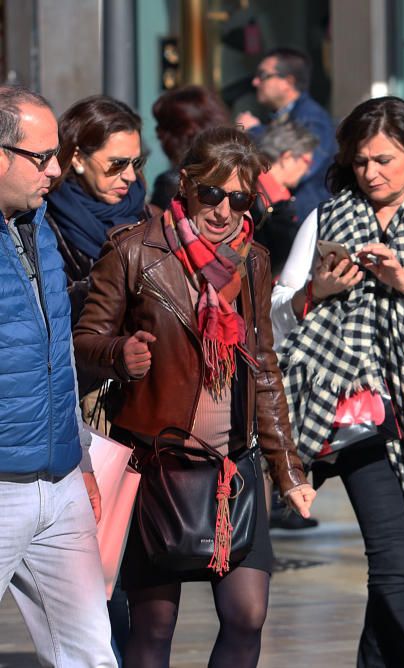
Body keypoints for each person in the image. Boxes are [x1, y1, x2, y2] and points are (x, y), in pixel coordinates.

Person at [73, 126, 316, 666]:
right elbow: (83, 343)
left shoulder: (252, 260)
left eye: (239, 198)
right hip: (157, 465)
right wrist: (119, 353)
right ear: (186, 184)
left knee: (248, 615)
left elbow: (266, 370)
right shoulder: (135, 251)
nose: (223, 210)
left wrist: (289, 471)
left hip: (235, 465)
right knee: (155, 628)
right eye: (211, 192)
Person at [271, 96, 404, 667]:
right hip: (341, 403)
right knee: (393, 557)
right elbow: (277, 311)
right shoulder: (326, 217)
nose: (371, 173)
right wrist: (317, 292)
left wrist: (403, 281)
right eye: (361, 161)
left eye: (385, 160)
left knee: (399, 561)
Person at [0, 85, 116, 667]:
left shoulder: (38, 223)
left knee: (92, 654)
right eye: (40, 157)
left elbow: (57, 353)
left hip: (59, 477)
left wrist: (80, 457)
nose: (54, 171)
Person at [45, 95, 147, 321]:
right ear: (79, 158)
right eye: (117, 164)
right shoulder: (42, 222)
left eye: (136, 163)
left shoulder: (146, 214)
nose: (130, 176)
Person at [236, 47, 335, 221]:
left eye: (264, 75)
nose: (255, 82)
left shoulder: (312, 119)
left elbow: (302, 168)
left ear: (288, 82)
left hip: (306, 218)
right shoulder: (284, 116)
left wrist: (253, 131)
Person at [149, 85, 232, 218]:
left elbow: (157, 232)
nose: (158, 135)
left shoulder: (171, 182)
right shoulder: (241, 171)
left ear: (184, 131)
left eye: (162, 127)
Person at [252, 121, 319, 278]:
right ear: (287, 157)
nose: (308, 169)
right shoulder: (271, 196)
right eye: (307, 161)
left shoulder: (254, 181)